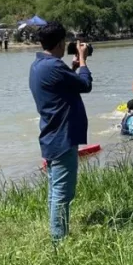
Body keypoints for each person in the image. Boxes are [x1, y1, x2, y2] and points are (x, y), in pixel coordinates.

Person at [29, 21, 92, 241]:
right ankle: (59, 241)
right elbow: (85, 85)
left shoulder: (39, 65)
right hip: (62, 136)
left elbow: (59, 87)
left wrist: (72, 68)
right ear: (59, 43)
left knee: (55, 189)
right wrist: (83, 61)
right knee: (63, 193)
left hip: (51, 134)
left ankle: (57, 234)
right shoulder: (54, 66)